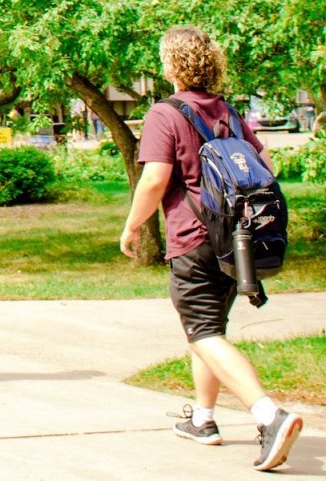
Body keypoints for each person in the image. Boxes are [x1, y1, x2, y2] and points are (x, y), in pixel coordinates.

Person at [121, 26, 302, 471]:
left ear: (171, 65)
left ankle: (268, 415)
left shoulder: (165, 113)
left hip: (194, 239)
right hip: (235, 241)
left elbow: (155, 179)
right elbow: (264, 165)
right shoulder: (227, 111)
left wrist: (131, 226)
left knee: (202, 331)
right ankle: (203, 419)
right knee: (210, 329)